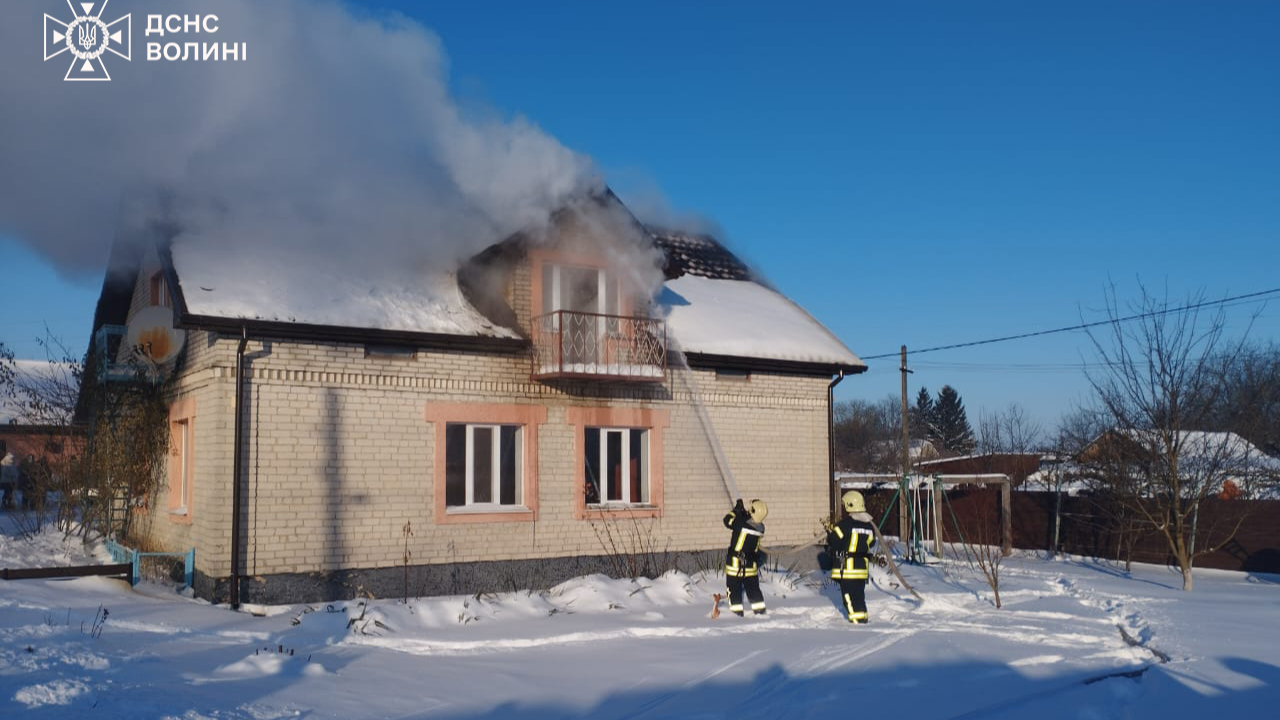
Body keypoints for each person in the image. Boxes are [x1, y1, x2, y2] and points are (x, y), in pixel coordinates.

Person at [827, 490, 877, 624]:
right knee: (859, 595)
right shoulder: (869, 526)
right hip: (861, 569)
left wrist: (831, 531)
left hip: (848, 569)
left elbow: (833, 542)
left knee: (848, 596)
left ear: (849, 505)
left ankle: (856, 622)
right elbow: (871, 543)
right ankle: (862, 618)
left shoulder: (844, 525)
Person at [723, 498, 768, 616]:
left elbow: (727, 520)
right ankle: (760, 613)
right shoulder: (761, 527)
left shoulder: (741, 524)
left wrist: (736, 511)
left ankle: (735, 615)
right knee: (753, 590)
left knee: (734, 590)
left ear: (753, 511)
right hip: (750, 566)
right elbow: (746, 522)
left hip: (735, 565)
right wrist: (742, 514)